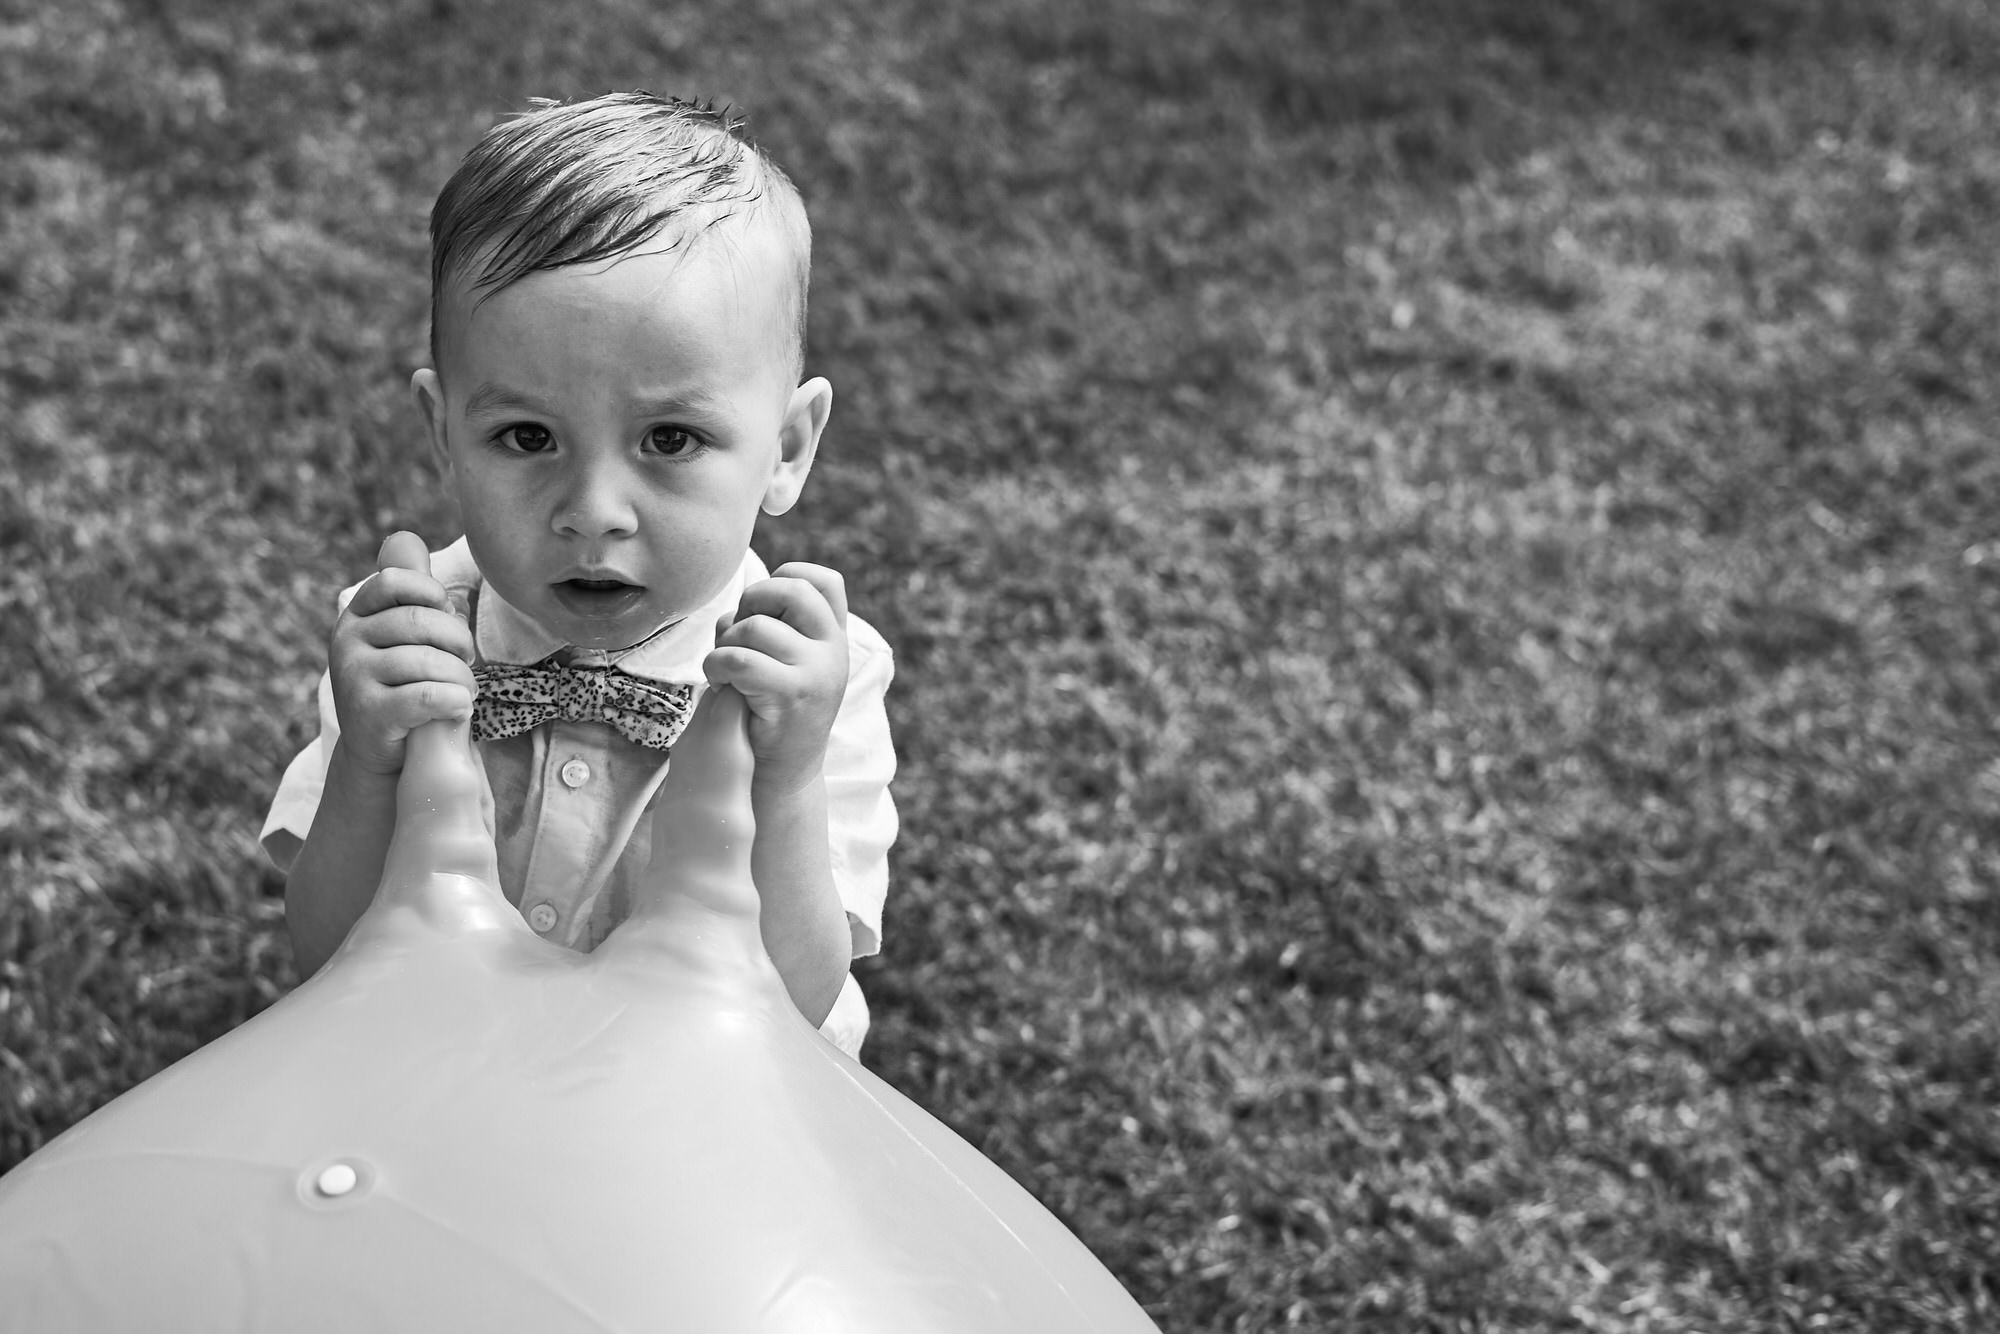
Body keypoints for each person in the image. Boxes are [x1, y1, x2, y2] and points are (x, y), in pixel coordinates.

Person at [260, 93, 896, 1057]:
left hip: (699, 1113)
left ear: (787, 448)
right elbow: (326, 960)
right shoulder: (403, 639)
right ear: (444, 435)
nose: (593, 508)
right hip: (448, 1085)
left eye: (670, 438)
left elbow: (799, 1005)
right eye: (527, 437)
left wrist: (791, 775)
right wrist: (366, 762)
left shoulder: (811, 678)